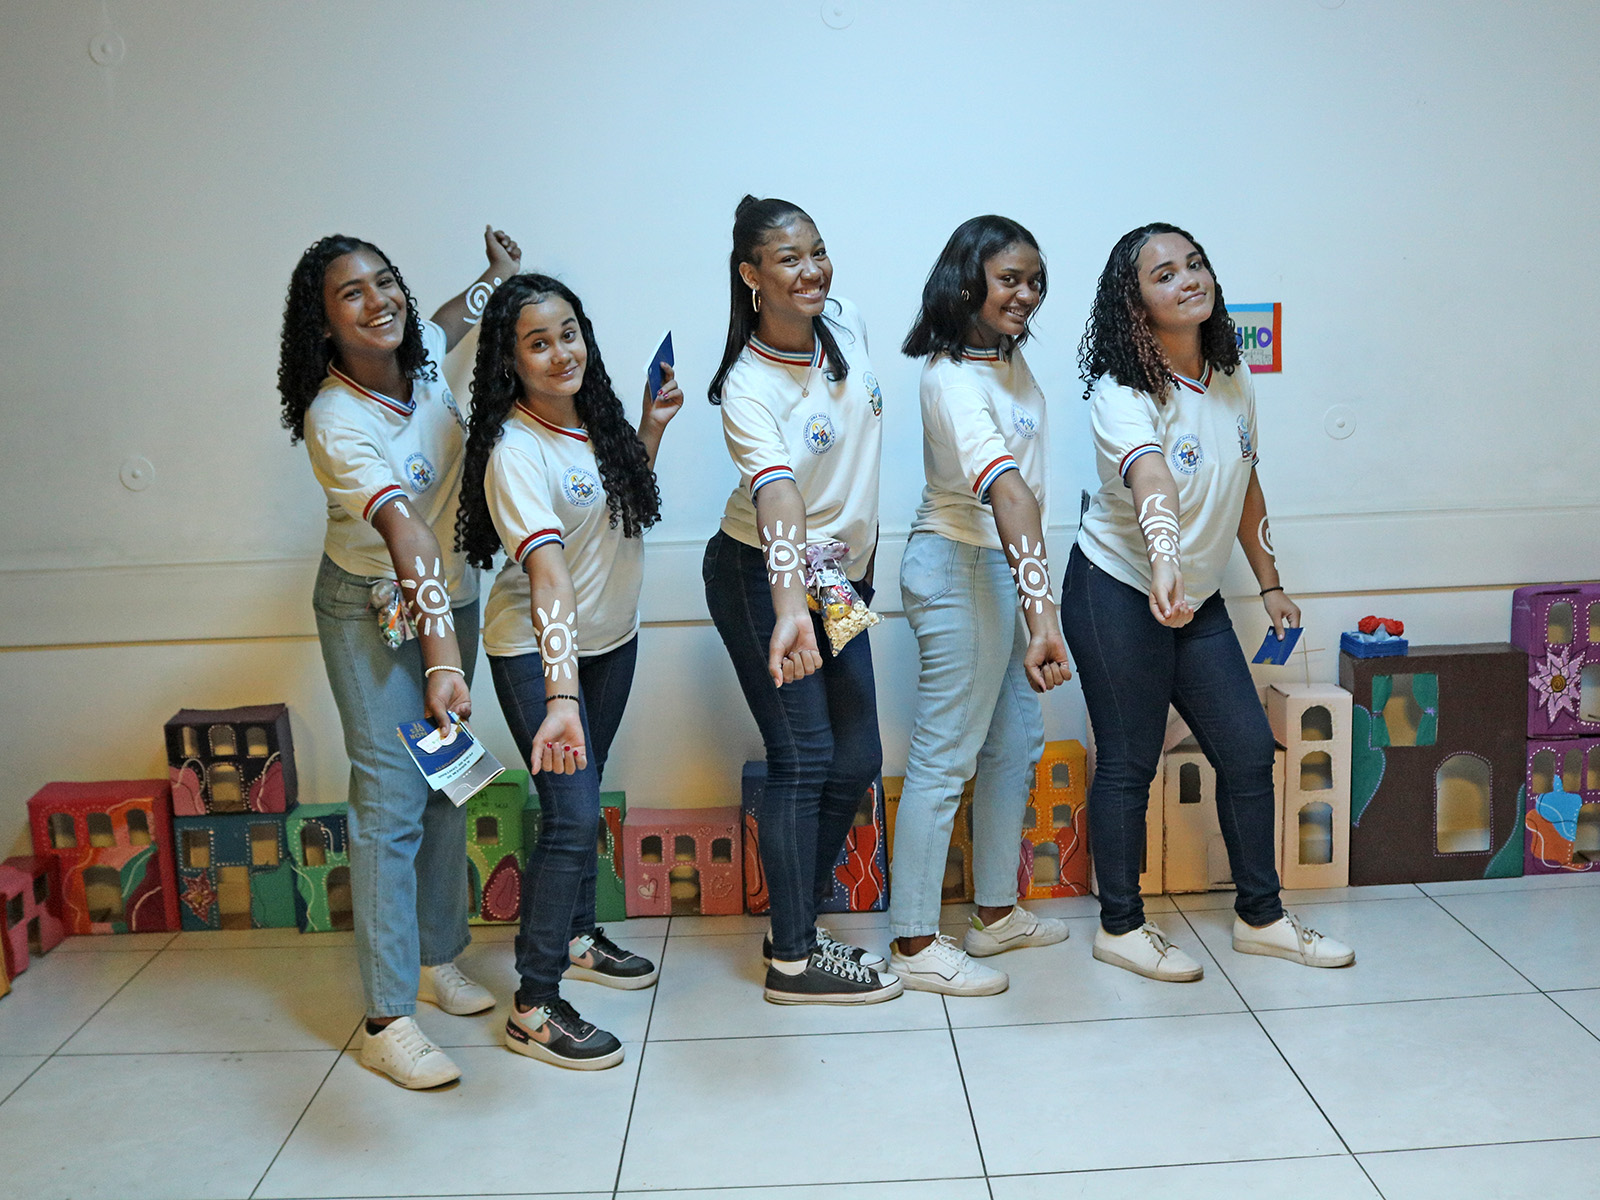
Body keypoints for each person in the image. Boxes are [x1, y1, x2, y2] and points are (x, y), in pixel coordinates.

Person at [1064, 222, 1355, 981]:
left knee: (1248, 750)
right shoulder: (1121, 389)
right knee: (1130, 762)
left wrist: (1270, 582)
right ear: (1134, 301)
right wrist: (1163, 558)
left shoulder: (1232, 374)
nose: (1187, 279)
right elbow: (1150, 476)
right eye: (1163, 274)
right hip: (1117, 588)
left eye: (1194, 264)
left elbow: (1246, 482)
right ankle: (1121, 928)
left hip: (1195, 596)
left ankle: (1262, 917)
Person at [278, 226, 521, 1088]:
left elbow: (451, 321)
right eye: (353, 294)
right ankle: (386, 1019)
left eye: (386, 283)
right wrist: (444, 662)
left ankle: (433, 957)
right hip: (372, 610)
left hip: (446, 596)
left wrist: (495, 275)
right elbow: (406, 532)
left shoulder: (419, 365)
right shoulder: (334, 418)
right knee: (391, 800)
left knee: (448, 781)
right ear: (324, 323)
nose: (379, 301)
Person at [456, 274, 680, 1068]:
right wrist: (560, 697)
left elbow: (618, 509)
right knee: (572, 814)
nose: (561, 354)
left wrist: (650, 429)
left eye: (569, 334)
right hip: (537, 655)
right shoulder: (515, 452)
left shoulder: (596, 421)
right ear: (510, 362)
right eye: (538, 343)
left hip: (611, 641)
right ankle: (534, 1003)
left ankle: (579, 936)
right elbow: (548, 576)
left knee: (584, 796)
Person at [703, 195, 901, 1004]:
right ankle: (793, 959)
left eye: (817, 251)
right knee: (804, 757)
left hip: (836, 579)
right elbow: (778, 498)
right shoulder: (748, 387)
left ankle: (797, 923)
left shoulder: (843, 321)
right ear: (751, 275)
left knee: (857, 759)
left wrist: (847, 582)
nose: (812, 269)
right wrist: (791, 609)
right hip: (762, 575)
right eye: (789, 258)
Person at [887, 216, 1074, 996]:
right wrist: (1044, 617)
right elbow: (1008, 492)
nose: (1026, 294)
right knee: (945, 758)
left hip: (1001, 565)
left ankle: (995, 914)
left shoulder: (1007, 359)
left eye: (1035, 280)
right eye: (1009, 280)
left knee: (1015, 745)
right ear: (968, 283)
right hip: (960, 562)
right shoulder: (950, 377)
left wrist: (1030, 600)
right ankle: (913, 941)